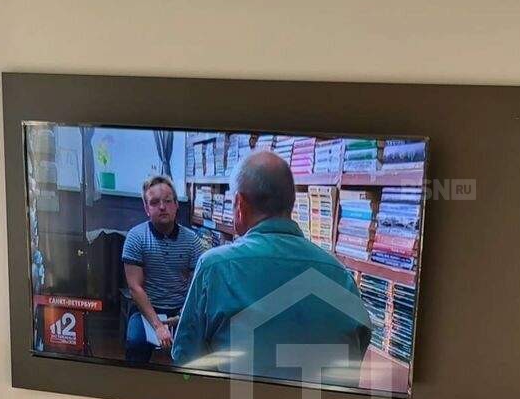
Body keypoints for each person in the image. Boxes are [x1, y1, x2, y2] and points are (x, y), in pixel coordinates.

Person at [171, 152, 372, 386]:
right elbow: (357, 350)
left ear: (239, 204)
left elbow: (186, 360)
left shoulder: (215, 268)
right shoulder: (340, 276)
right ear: (291, 203)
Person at [121, 175, 210, 362]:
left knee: (199, 350)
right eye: (154, 202)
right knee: (136, 343)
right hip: (147, 309)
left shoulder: (192, 240)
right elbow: (135, 288)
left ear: (176, 205)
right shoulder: (136, 237)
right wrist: (158, 326)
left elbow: (197, 288)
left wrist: (182, 316)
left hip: (181, 309)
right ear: (146, 209)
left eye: (168, 201)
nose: (162, 207)